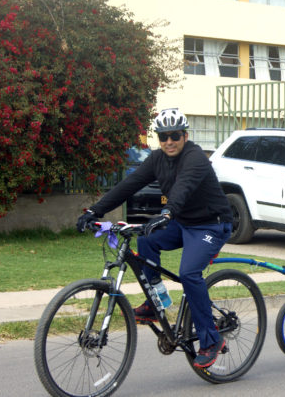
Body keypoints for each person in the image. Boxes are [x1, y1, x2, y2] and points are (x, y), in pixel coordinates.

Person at [76, 108, 234, 368]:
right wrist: (95, 210)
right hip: (183, 222)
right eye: (163, 137)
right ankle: (156, 302)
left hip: (211, 225)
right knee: (146, 239)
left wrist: (167, 213)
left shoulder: (195, 157)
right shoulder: (157, 159)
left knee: (189, 273)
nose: (169, 141)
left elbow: (183, 187)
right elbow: (130, 184)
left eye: (174, 136)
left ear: (185, 136)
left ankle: (211, 340)